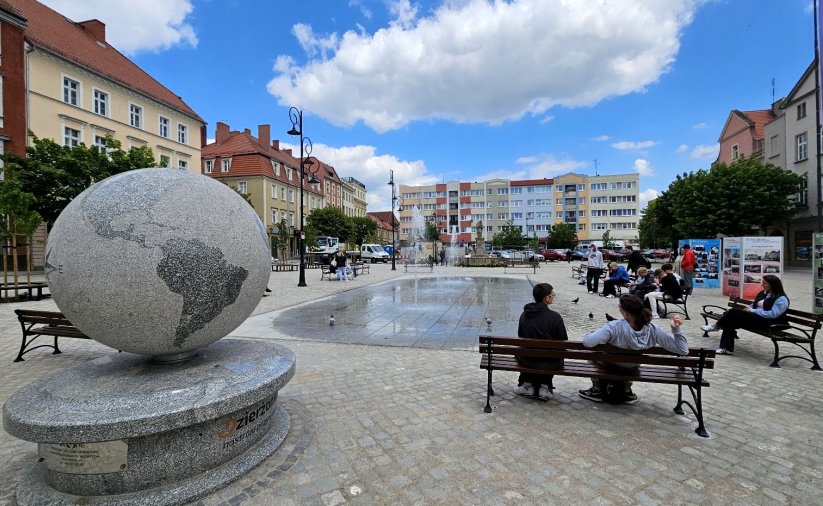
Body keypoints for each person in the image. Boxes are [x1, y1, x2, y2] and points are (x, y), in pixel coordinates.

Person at [579, 294, 688, 404]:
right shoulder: (653, 329)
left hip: (609, 364)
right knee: (632, 360)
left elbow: (588, 342)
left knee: (594, 355)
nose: (618, 308)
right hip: (632, 367)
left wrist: (591, 333)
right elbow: (683, 350)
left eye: (619, 306)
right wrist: (676, 329)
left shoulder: (613, 327)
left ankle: (597, 389)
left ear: (626, 313)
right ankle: (626, 390)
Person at [701, 274, 789, 355]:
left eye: (765, 283)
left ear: (773, 285)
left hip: (769, 323)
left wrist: (753, 311)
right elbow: (755, 304)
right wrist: (748, 308)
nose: (762, 285)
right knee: (730, 320)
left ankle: (716, 326)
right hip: (756, 319)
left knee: (733, 313)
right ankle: (725, 348)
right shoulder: (763, 293)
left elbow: (773, 314)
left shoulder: (781, 299)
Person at [515, 283, 568, 400]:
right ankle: (545, 386)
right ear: (547, 298)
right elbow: (563, 342)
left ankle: (528, 384)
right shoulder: (555, 317)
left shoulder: (525, 314)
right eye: (552, 294)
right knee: (555, 353)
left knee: (522, 351)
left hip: (527, 361)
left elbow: (520, 335)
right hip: (550, 363)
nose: (554, 296)